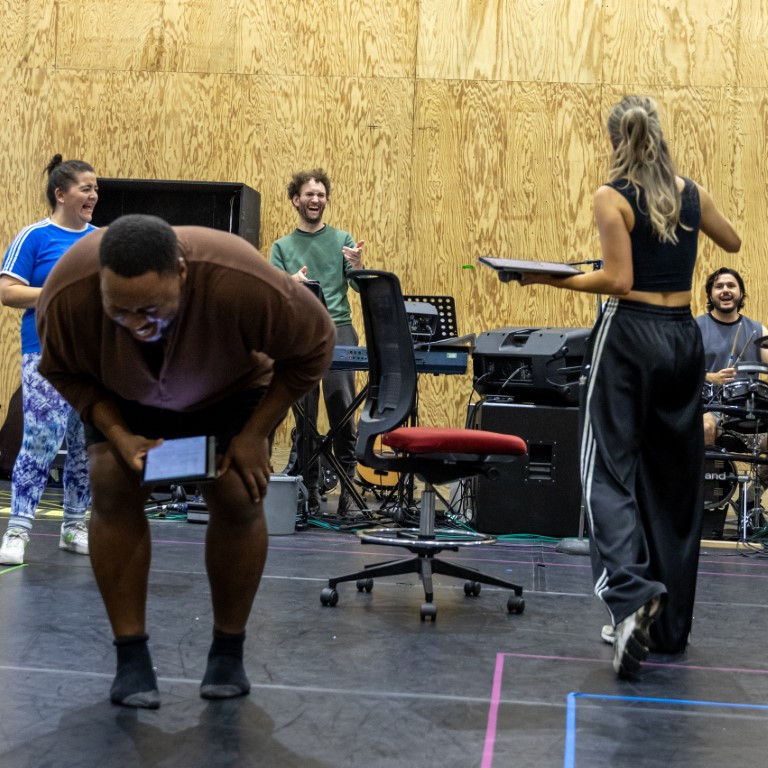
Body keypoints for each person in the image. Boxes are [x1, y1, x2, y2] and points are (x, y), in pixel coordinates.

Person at [36, 214, 336, 708]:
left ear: (182, 272)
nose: (136, 324)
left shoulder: (241, 279)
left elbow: (316, 345)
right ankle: (131, 658)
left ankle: (227, 651)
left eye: (151, 311)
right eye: (121, 312)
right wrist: (119, 435)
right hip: (122, 392)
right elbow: (65, 372)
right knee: (110, 479)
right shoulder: (68, 293)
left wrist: (255, 434)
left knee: (239, 492)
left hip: (229, 387)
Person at [517, 95, 741, 678]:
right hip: (682, 339)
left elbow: (618, 279)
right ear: (660, 136)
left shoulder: (611, 195)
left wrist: (555, 278)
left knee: (607, 472)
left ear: (615, 140)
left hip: (631, 337)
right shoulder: (691, 193)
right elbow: (733, 243)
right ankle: (668, 628)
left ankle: (630, 593)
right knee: (673, 481)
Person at [0, 155, 98, 565]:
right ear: (61, 194)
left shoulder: (101, 240)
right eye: (85, 188)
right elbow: (7, 292)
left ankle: (75, 526)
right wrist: (59, 290)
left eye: (96, 188)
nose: (93, 195)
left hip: (91, 360)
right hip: (46, 355)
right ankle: (18, 531)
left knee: (83, 447)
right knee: (40, 441)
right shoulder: (34, 237)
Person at [270, 168, 365, 518]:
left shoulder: (342, 238)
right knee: (304, 412)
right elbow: (272, 293)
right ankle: (308, 490)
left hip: (338, 328)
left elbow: (357, 287)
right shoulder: (281, 247)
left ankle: (349, 488)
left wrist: (357, 266)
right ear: (296, 200)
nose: (315, 200)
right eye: (309, 194)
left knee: (341, 402)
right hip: (299, 332)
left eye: (321, 195)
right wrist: (289, 282)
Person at [697, 267, 768, 444]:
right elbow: (678, 372)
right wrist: (710, 377)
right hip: (709, 409)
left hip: (748, 410)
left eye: (731, 285)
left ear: (741, 293)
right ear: (710, 295)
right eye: (719, 286)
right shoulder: (694, 329)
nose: (725, 290)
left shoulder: (758, 331)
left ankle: (762, 473)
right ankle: (708, 472)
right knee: (705, 427)